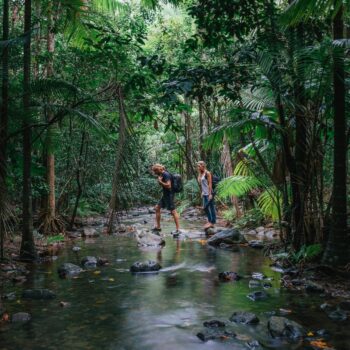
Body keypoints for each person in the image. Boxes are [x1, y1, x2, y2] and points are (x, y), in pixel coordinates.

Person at [152, 164, 180, 234]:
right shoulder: (162, 174)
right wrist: (160, 181)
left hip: (169, 195)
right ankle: (158, 227)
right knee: (157, 208)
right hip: (165, 195)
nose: (155, 173)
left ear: (158, 169)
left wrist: (160, 181)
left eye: (155, 171)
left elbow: (168, 185)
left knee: (173, 211)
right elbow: (164, 184)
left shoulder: (166, 174)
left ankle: (178, 229)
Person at [197, 161, 217, 229]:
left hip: (209, 193)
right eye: (198, 166)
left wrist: (210, 193)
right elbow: (201, 183)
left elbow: (210, 183)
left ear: (203, 166)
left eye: (199, 166)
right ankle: (209, 221)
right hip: (204, 193)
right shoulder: (201, 174)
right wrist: (202, 192)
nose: (198, 168)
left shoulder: (207, 173)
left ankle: (212, 222)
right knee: (205, 208)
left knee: (211, 207)